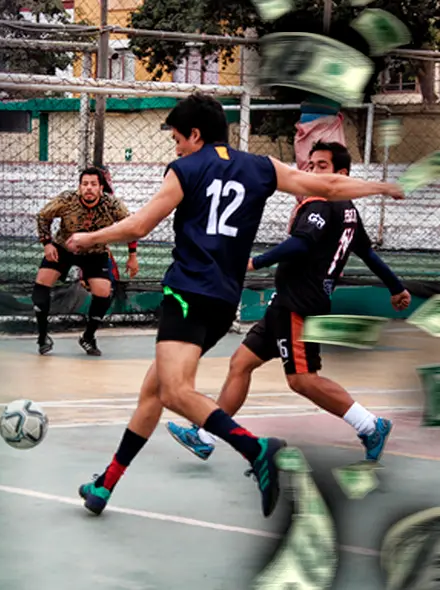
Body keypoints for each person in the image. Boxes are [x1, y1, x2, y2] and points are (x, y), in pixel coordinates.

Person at [65, 94, 404, 519]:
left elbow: (139, 224)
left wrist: (88, 239)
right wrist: (381, 187)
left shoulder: (185, 170)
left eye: (177, 139)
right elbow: (330, 186)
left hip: (186, 293)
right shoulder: (261, 167)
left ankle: (255, 448)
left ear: (195, 134)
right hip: (224, 301)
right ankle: (105, 484)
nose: (176, 148)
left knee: (173, 391)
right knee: (154, 389)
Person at [166, 141, 411, 462]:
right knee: (241, 363)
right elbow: (366, 252)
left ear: (342, 174)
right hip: (289, 302)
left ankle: (370, 425)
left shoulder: (322, 204)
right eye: (310, 165)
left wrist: (255, 262)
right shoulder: (350, 211)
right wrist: (397, 287)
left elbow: (300, 244)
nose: (311, 171)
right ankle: (205, 435)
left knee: (302, 379)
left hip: (300, 302)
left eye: (321, 166)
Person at [33, 166, 138, 356]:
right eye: (85, 184)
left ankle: (88, 336)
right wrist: (47, 244)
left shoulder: (112, 205)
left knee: (103, 292)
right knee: (42, 281)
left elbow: (131, 226)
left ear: (100, 187)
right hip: (64, 248)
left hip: (95, 253)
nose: (88, 188)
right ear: (80, 186)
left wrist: (132, 256)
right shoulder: (67, 200)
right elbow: (42, 216)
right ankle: (42, 337)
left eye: (93, 184)